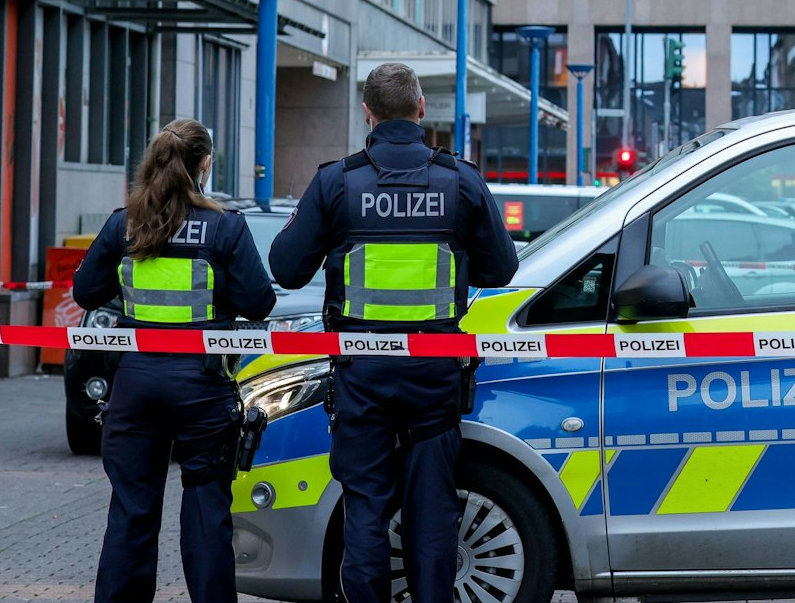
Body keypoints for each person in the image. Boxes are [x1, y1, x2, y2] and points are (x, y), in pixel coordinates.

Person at [269, 62, 519, 603]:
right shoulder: (460, 180)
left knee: (364, 509)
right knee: (432, 514)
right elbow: (502, 270)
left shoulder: (337, 181)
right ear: (421, 108)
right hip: (433, 376)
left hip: (361, 374)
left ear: (368, 112)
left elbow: (285, 268)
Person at [73, 119, 277, 603]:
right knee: (207, 509)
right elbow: (261, 302)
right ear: (204, 163)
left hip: (135, 385)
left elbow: (85, 291)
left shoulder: (124, 223)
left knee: (132, 510)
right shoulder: (225, 227)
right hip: (201, 390)